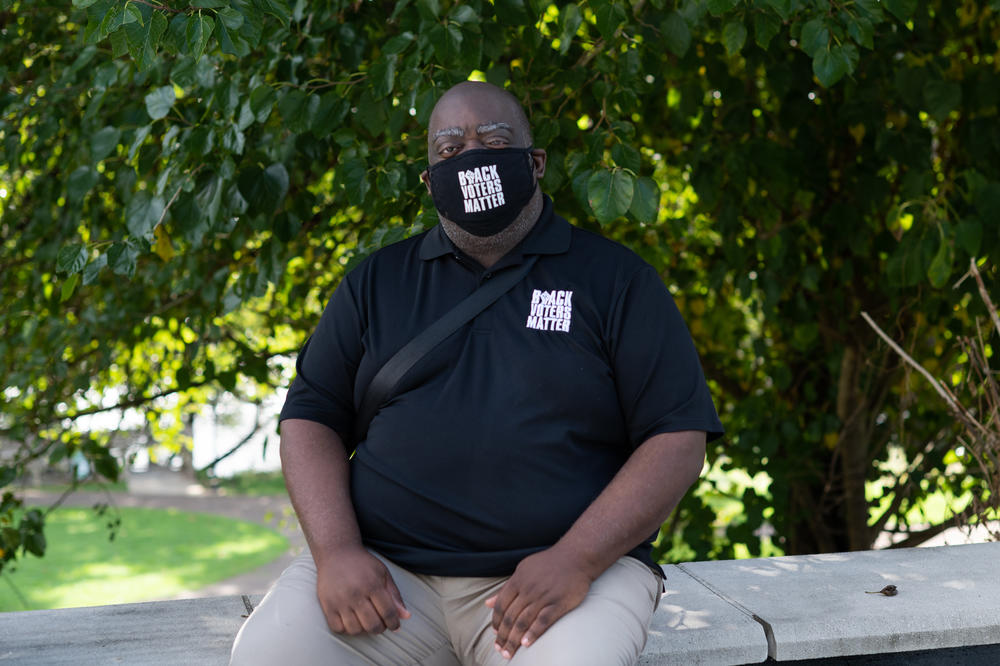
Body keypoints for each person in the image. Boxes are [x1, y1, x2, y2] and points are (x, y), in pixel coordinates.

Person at [230, 80, 723, 666]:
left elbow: (677, 437)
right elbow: (310, 418)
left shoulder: (617, 281)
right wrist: (336, 553)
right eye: (449, 150)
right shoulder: (376, 282)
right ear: (429, 178)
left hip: (562, 580)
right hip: (387, 575)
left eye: (492, 140)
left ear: (534, 163)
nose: (472, 159)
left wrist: (577, 559)